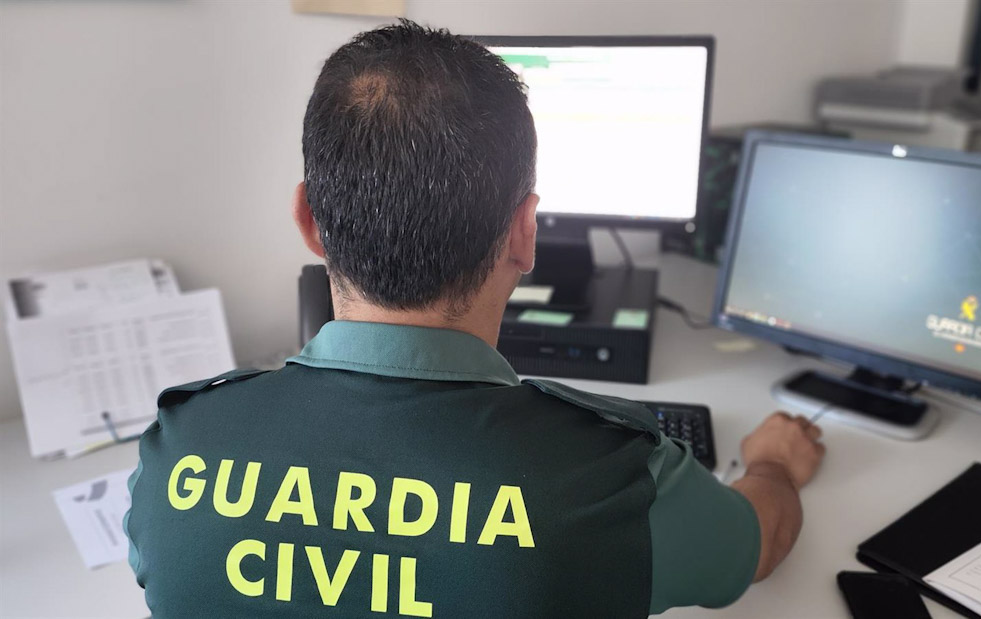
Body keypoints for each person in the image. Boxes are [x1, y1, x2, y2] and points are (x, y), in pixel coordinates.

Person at [124, 20, 825, 618]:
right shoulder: (614, 477)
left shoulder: (172, 457)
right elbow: (760, 542)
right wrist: (771, 466)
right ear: (526, 232)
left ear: (310, 221)